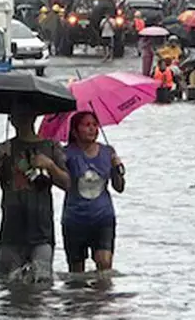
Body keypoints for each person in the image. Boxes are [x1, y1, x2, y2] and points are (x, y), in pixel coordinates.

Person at [0, 105, 71, 284]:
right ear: (11, 119)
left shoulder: (51, 146)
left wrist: (50, 166)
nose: (23, 118)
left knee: (42, 284)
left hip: (42, 230)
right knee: (9, 285)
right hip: (11, 231)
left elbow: (68, 184)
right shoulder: (3, 149)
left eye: (27, 114)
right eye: (18, 115)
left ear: (35, 116)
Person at [60, 112, 124, 276]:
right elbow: (61, 183)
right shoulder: (66, 154)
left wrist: (118, 168)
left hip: (103, 218)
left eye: (95, 125)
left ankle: (100, 300)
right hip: (75, 219)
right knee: (76, 273)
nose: (92, 129)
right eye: (87, 125)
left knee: (104, 264)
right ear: (75, 131)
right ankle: (82, 301)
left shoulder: (108, 152)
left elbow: (119, 187)